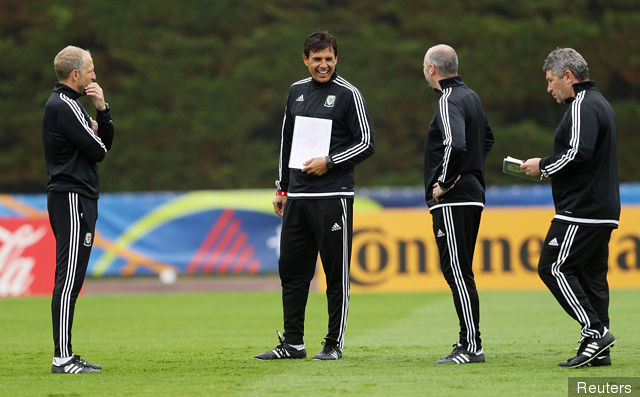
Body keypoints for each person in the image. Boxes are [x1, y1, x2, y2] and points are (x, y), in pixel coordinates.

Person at [255, 31, 374, 361]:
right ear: (305, 59)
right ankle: (293, 343)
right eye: (317, 59)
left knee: (335, 274)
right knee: (292, 272)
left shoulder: (348, 94)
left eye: (329, 58)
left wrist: (330, 161)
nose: (324, 65)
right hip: (298, 197)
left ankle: (333, 344)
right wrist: (282, 188)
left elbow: (367, 143)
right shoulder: (296, 92)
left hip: (333, 197)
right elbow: (286, 142)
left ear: (337, 59)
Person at [521, 48, 619, 368]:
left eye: (551, 81)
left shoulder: (581, 105)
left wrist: (543, 167)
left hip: (582, 208)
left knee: (553, 266)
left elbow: (578, 152)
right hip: (602, 208)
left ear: (568, 76)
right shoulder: (600, 104)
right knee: (592, 277)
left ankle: (595, 331)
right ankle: (598, 351)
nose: (549, 89)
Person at [42, 45, 114, 374]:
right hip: (71, 197)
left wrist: (101, 114)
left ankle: (66, 354)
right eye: (90, 70)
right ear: (75, 75)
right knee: (68, 279)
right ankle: (62, 357)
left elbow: (102, 143)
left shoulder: (68, 106)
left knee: (73, 277)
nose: (94, 76)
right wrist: (99, 111)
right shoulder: (66, 106)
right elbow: (99, 151)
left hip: (77, 197)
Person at [422, 44, 494, 364]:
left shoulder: (448, 99)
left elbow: (456, 143)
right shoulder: (472, 97)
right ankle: (470, 342)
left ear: (432, 69)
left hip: (454, 198)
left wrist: (447, 182)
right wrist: (473, 171)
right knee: (460, 268)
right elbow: (487, 139)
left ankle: (471, 345)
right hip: (472, 194)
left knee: (456, 270)